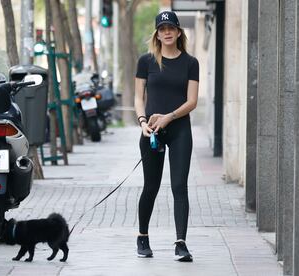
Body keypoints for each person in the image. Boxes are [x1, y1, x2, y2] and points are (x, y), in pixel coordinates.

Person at [134, 10, 199, 262]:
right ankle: (142, 237)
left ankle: (181, 243)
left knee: (179, 187)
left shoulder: (190, 63)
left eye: (171, 28)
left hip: (180, 129)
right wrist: (142, 122)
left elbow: (192, 101)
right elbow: (138, 98)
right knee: (151, 186)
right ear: (157, 34)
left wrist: (169, 116)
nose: (167, 32)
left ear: (178, 31)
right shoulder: (146, 61)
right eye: (162, 29)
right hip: (151, 131)